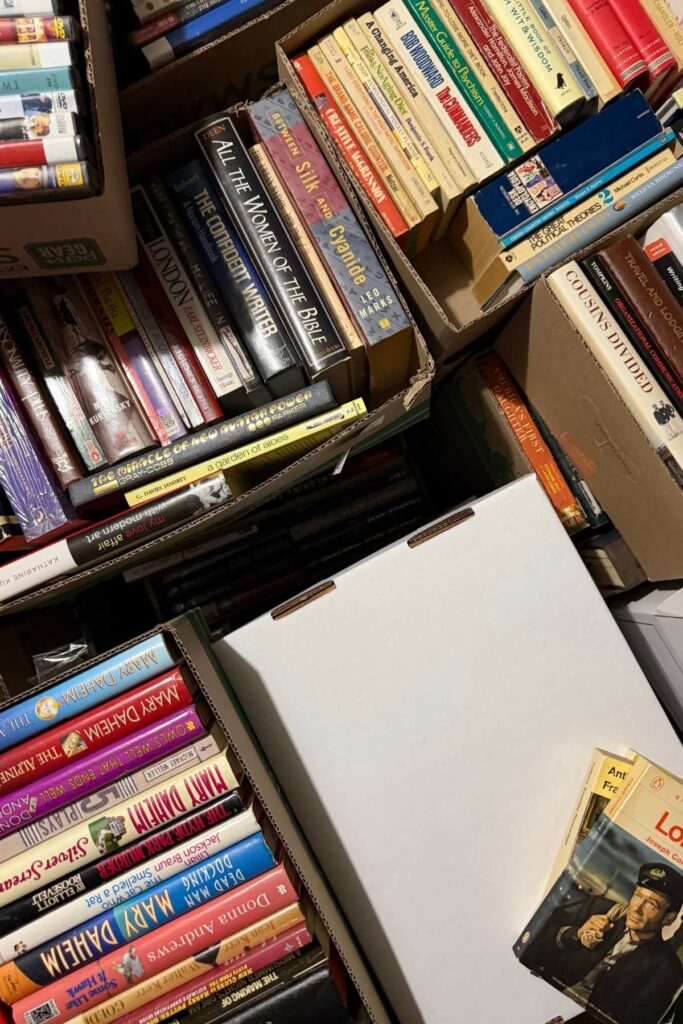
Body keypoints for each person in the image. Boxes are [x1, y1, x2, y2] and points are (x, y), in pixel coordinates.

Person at [521, 863, 683, 1024]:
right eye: (638, 895)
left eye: (651, 904)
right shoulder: (599, 908)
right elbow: (534, 943)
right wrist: (576, 934)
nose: (637, 908)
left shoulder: (666, 969)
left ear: (669, 918)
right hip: (537, 998)